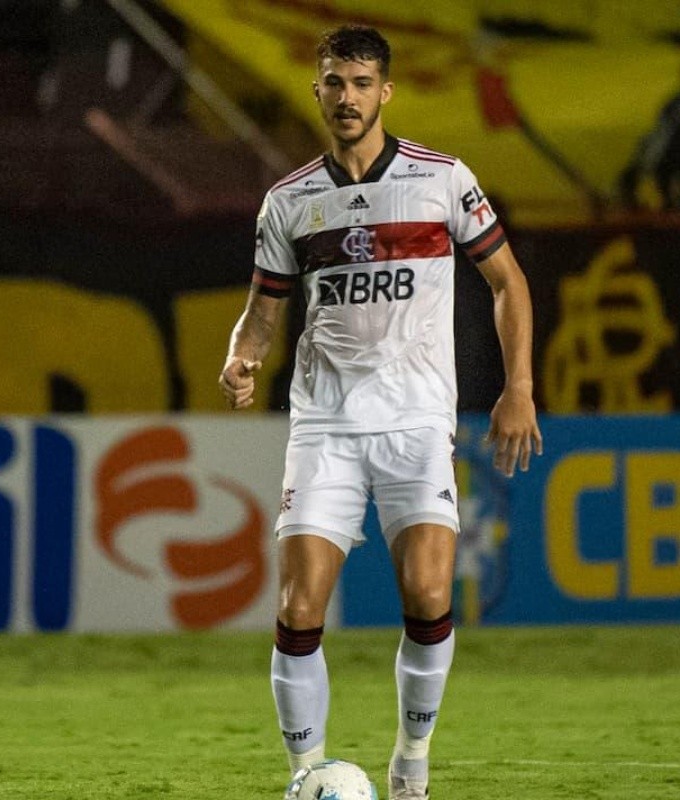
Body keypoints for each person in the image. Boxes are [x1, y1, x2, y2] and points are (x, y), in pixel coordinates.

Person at [218, 24, 542, 800]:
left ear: (385, 92)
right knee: (299, 606)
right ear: (318, 90)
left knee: (429, 596)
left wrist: (518, 386)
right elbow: (263, 310)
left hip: (417, 424)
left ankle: (411, 764)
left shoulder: (442, 180)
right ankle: (307, 778)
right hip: (325, 425)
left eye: (363, 83)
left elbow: (508, 283)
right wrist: (242, 355)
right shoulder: (290, 201)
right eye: (335, 82)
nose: (348, 97)